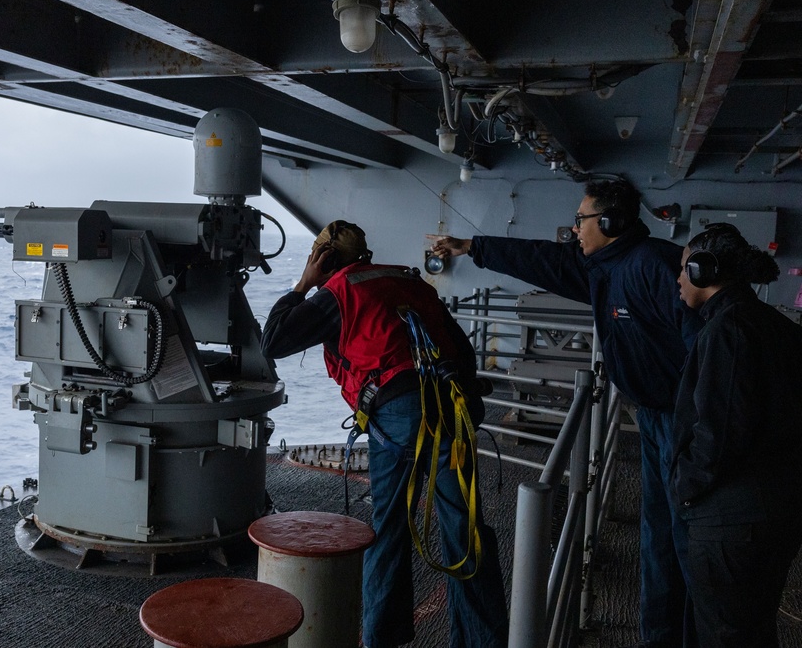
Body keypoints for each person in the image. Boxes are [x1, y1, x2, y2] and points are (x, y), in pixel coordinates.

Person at [428, 179, 701, 648]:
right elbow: (544, 261)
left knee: (686, 541)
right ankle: (661, 638)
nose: (575, 229)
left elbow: (705, 346)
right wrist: (474, 247)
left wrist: (703, 422)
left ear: (610, 223)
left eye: (582, 220)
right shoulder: (607, 265)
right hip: (657, 417)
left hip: (683, 421)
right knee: (660, 538)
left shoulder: (651, 266)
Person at [261, 220, 509, 648]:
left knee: (389, 527)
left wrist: (304, 283)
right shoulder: (407, 280)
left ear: (324, 258)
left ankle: (383, 637)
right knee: (464, 527)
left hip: (398, 413)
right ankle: (482, 641)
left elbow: (274, 340)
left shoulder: (338, 293)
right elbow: (460, 349)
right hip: (451, 406)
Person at [670, 223, 802, 647]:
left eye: (683, 268)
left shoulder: (728, 330)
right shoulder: (772, 324)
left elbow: (719, 436)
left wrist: (683, 488)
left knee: (726, 634)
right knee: (752, 629)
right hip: (774, 510)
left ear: (703, 272)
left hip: (731, 523)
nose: (677, 279)